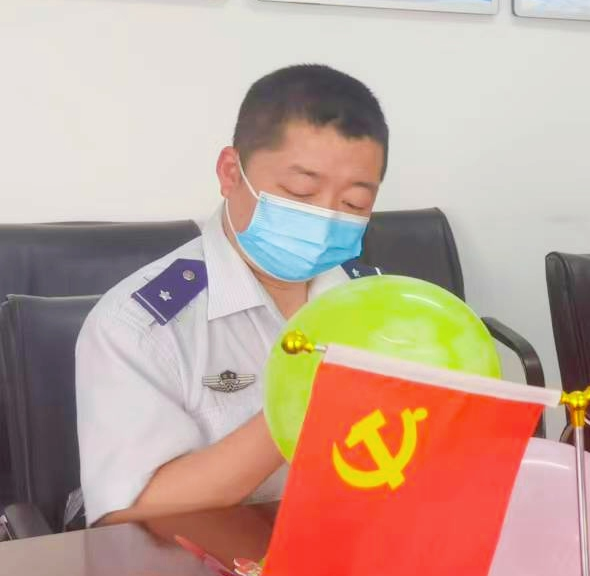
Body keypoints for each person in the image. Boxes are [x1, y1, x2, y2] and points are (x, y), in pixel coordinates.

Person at [75, 65, 388, 526]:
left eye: (353, 203)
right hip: (205, 560)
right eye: (301, 191)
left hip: (353, 541)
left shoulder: (380, 306)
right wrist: (302, 407)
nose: (325, 219)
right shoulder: (140, 325)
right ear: (229, 173)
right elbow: (126, 514)